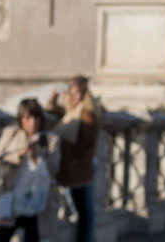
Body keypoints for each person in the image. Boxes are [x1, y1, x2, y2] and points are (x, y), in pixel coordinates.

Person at [0, 98, 61, 241]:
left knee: (33, 236)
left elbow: (54, 168)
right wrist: (19, 155)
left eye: (36, 117)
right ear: (21, 119)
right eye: (28, 118)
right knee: (2, 235)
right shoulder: (12, 133)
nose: (33, 122)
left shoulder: (50, 139)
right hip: (12, 197)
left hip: (38, 200)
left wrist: (36, 158)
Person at [47, 75, 100, 242]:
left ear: (84, 94)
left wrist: (75, 157)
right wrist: (53, 100)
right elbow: (53, 116)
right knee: (79, 209)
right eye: (71, 93)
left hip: (78, 170)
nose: (73, 96)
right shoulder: (72, 111)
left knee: (83, 210)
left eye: (77, 93)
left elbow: (88, 142)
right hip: (71, 169)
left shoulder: (85, 113)